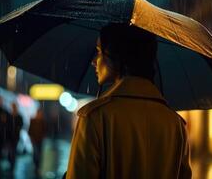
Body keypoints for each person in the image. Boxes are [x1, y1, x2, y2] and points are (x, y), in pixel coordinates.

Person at [65, 24, 192, 179]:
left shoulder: (95, 118)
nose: (94, 61)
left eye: (99, 51)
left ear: (117, 56)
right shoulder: (176, 124)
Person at [28, 108, 47, 177]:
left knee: (39, 153)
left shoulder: (42, 121)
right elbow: (30, 130)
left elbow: (45, 130)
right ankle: (36, 165)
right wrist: (31, 137)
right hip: (34, 140)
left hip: (40, 140)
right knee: (36, 153)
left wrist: (43, 136)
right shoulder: (33, 121)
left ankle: (37, 166)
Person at [7, 102, 23, 174]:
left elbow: (20, 126)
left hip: (15, 137)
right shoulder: (10, 116)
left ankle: (12, 164)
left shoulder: (18, 116)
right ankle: (11, 163)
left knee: (12, 151)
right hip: (10, 137)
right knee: (11, 151)